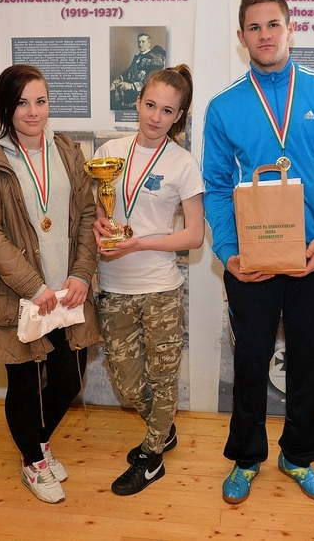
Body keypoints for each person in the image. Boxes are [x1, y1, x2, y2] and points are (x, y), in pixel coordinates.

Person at [202, 0, 314, 504]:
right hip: (253, 259)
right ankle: (247, 457)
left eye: (274, 25)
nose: (265, 35)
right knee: (250, 362)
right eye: (254, 27)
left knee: (312, 361)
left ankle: (299, 456)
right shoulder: (223, 106)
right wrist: (228, 252)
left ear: (291, 29)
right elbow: (216, 186)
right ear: (241, 36)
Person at [0, 64, 101, 505]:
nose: (33, 112)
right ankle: (33, 461)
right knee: (25, 385)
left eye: (40, 101)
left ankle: (36, 444)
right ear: (5, 107)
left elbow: (87, 215)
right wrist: (34, 287)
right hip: (19, 295)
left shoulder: (68, 152)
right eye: (22, 103)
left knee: (69, 380)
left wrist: (81, 273)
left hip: (68, 293)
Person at [93, 64, 204, 495]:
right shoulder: (110, 151)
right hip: (114, 285)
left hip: (159, 287)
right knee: (127, 382)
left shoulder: (183, 164)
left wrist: (139, 243)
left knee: (163, 377)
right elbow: (98, 213)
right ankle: (164, 428)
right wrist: (99, 226)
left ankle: (152, 455)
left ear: (179, 117)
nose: (156, 117)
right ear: (137, 102)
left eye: (168, 111)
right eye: (151, 105)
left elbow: (193, 236)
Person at [110, 32, 166, 110]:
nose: (140, 44)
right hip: (130, 96)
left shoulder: (155, 59)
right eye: (139, 42)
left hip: (144, 97)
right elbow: (128, 72)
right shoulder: (137, 58)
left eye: (143, 42)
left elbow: (153, 81)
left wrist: (131, 86)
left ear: (149, 43)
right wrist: (116, 82)